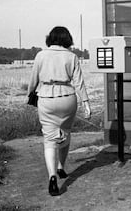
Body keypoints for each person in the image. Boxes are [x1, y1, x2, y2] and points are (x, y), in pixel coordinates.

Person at [27, 26, 91, 196]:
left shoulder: (41, 55)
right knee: (66, 132)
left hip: (47, 98)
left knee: (49, 139)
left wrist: (29, 95)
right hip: (68, 98)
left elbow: (33, 80)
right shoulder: (72, 56)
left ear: (50, 38)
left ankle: (52, 177)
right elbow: (79, 82)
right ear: (67, 39)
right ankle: (61, 167)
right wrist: (86, 102)